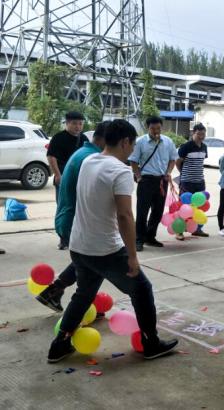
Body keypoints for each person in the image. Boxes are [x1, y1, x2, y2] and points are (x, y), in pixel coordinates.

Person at [47, 119, 178, 363]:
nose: (133, 150)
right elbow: (125, 215)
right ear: (125, 142)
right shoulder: (120, 171)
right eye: (133, 145)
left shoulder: (89, 161)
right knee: (142, 289)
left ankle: (60, 344)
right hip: (105, 249)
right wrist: (132, 256)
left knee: (84, 294)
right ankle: (151, 343)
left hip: (79, 245)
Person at [36, 122, 110, 312]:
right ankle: (78, 309)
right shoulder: (91, 159)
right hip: (75, 221)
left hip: (70, 219)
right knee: (96, 264)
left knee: (86, 262)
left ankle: (54, 292)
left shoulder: (85, 152)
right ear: (105, 140)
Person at [129, 116, 178, 252]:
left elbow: (173, 159)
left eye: (158, 128)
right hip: (146, 181)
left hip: (162, 181)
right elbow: (133, 160)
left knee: (158, 211)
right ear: (147, 128)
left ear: (162, 127)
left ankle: (150, 237)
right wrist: (139, 177)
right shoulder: (140, 142)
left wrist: (168, 172)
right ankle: (139, 239)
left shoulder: (168, 141)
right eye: (152, 128)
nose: (156, 131)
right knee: (142, 211)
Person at [47, 111, 88, 250]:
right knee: (64, 208)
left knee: (78, 208)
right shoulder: (59, 137)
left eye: (80, 124)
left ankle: (76, 237)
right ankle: (63, 238)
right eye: (75, 123)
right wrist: (58, 175)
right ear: (67, 123)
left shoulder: (83, 138)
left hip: (79, 178)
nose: (78, 127)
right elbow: (51, 157)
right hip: (63, 177)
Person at [175, 123, 209, 240]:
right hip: (187, 182)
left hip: (200, 181)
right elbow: (178, 162)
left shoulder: (204, 147)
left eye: (203, 134)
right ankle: (179, 231)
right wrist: (183, 173)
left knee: (199, 206)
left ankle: (196, 229)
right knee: (184, 206)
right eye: (198, 134)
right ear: (193, 133)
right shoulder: (186, 146)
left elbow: (200, 163)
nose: (201, 137)